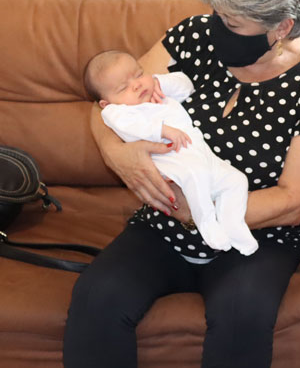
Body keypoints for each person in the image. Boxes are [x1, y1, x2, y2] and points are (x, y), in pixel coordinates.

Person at [63, 0, 300, 368]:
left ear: (280, 27)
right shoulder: (195, 38)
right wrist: (124, 157)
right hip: (163, 223)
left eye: (233, 23)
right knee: (98, 299)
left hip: (255, 235)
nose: (217, 28)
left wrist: (202, 214)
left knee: (242, 321)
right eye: (217, 14)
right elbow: (111, 108)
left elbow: (294, 201)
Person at [84, 50, 257, 255]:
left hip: (197, 151)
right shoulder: (116, 112)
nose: (137, 85)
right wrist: (162, 130)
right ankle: (207, 223)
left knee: (236, 180)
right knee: (196, 176)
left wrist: (159, 82)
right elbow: (132, 126)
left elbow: (186, 87)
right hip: (168, 158)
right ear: (106, 103)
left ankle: (233, 224)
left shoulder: (157, 94)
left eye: (139, 74)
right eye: (123, 87)